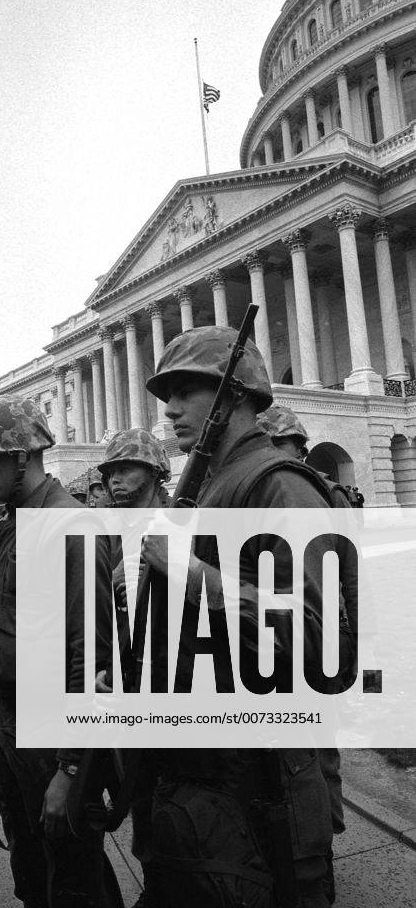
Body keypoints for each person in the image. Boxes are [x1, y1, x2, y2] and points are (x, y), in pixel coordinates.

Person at [144, 326, 337, 908]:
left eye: (186, 391)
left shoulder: (279, 485)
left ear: (233, 395)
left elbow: (316, 637)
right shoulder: (212, 487)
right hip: (206, 778)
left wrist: (189, 573)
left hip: (260, 781)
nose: (171, 409)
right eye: (166, 395)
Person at [0, 395, 112, 908]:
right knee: (31, 870)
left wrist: (70, 771)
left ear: (23, 455)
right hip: (9, 722)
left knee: (74, 877)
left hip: (52, 733)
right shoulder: (8, 527)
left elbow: (88, 656)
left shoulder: (72, 526)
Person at [257, 403, 355, 903]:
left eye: (280, 446)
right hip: (303, 638)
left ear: (296, 447)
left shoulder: (309, 493)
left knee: (318, 762)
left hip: (316, 637)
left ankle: (320, 851)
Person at [97, 429, 171, 908]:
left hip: (173, 683)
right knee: (140, 796)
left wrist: (157, 578)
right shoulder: (111, 527)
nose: (115, 480)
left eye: (126, 469)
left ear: (154, 472)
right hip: (127, 679)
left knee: (172, 801)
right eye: (110, 472)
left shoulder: (181, 520)